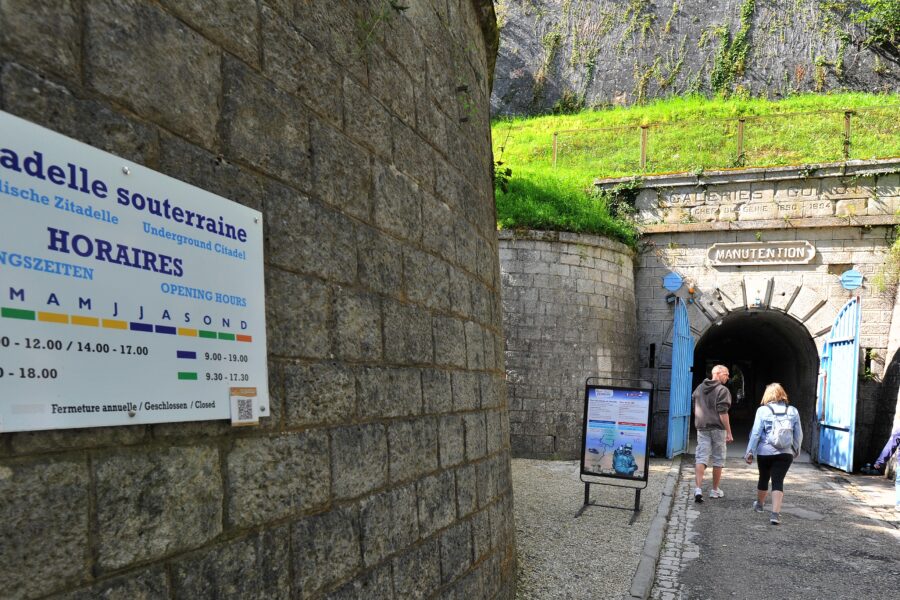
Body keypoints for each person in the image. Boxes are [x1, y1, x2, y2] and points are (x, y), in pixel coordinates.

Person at [744, 383, 803, 525]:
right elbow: (798, 433)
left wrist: (750, 451)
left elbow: (756, 433)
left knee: (764, 477)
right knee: (778, 481)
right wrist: (796, 449)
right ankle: (775, 514)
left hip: (765, 452)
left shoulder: (763, 410)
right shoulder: (793, 410)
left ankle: (759, 505)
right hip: (785, 453)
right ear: (783, 394)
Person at [692, 364, 733, 503]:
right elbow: (723, 412)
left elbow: (694, 406)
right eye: (726, 374)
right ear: (717, 373)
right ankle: (715, 490)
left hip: (702, 428)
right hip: (718, 428)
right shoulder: (723, 390)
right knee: (718, 458)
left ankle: (698, 488)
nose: (728, 377)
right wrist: (729, 431)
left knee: (701, 456)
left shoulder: (699, 388)